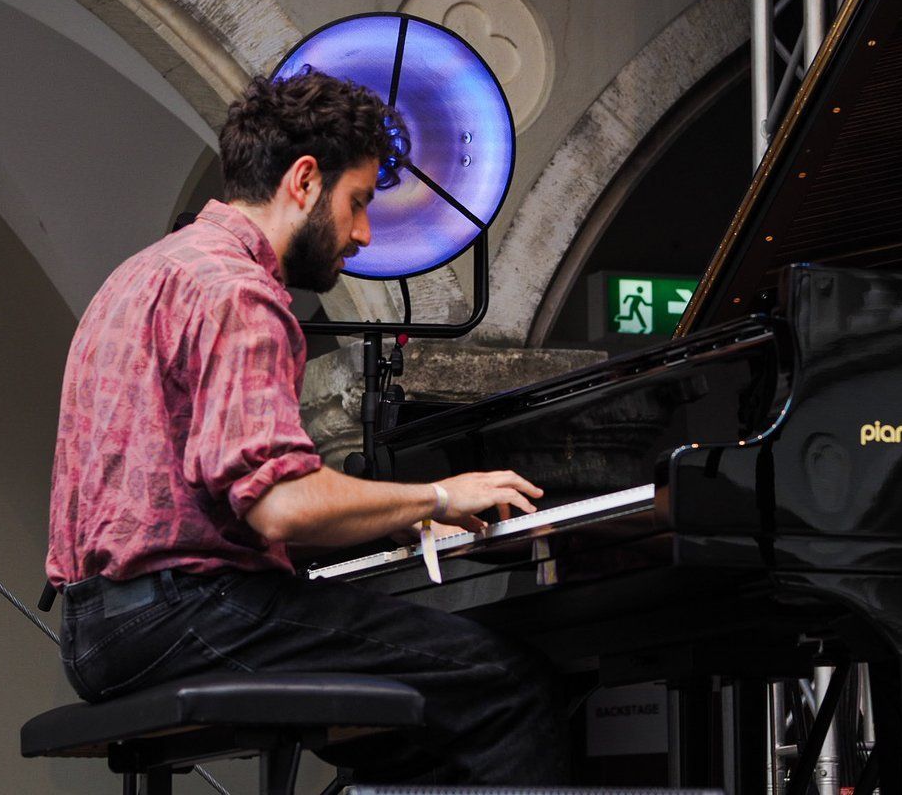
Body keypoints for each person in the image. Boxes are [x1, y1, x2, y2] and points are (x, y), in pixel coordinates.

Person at [46, 69, 563, 783]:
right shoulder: (240, 293)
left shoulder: (140, 275)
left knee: (405, 735)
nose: (363, 232)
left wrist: (388, 518)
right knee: (505, 684)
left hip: (95, 630)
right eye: (357, 202)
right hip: (187, 614)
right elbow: (280, 505)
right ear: (304, 179)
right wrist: (438, 497)